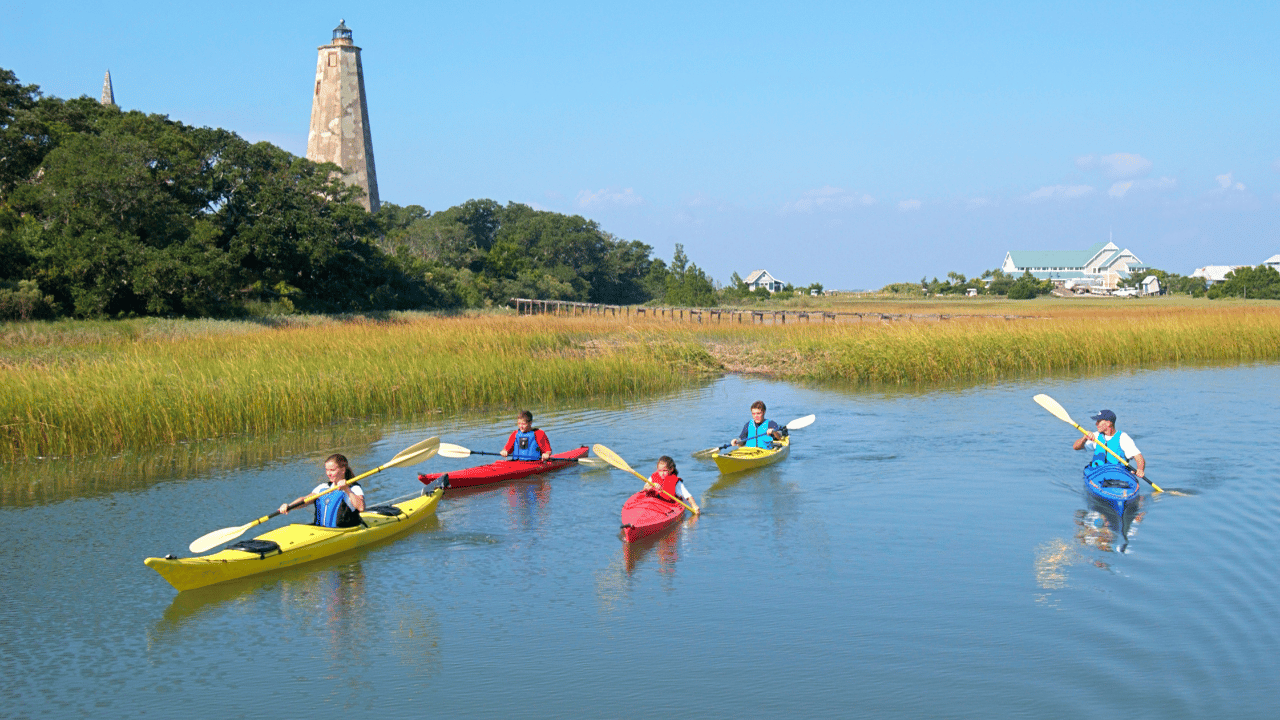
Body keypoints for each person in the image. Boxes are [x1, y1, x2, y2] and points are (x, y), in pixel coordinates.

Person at [278, 453, 366, 528]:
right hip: (321, 531)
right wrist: (290, 506)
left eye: (332, 470)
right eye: (327, 470)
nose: (328, 473)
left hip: (344, 531)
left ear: (343, 470)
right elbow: (304, 500)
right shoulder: (322, 487)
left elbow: (361, 507)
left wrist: (346, 489)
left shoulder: (354, 488)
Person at [1072, 409, 1145, 478]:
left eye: (1099, 421)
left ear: (1108, 423)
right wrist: (1084, 438)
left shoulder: (1123, 438)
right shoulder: (1096, 436)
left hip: (1118, 473)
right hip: (1098, 473)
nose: (1096, 423)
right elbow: (1075, 447)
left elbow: (1138, 457)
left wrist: (1140, 469)